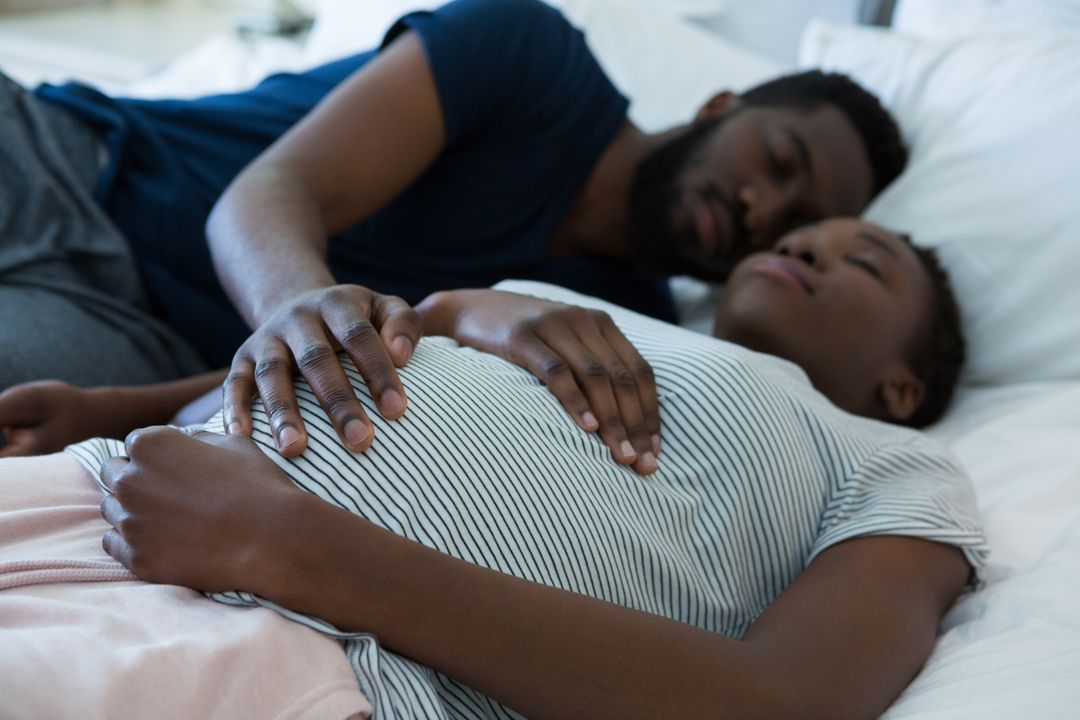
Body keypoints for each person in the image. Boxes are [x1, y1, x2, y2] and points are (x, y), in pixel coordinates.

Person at [12, 217, 983, 718]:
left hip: (304, 641)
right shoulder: (596, 307)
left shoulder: (898, 465)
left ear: (902, 384)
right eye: (800, 237)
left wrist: (288, 543)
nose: (807, 240)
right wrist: (122, 407)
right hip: (128, 484)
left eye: (867, 262)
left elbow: (783, 704)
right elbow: (376, 343)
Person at [2, 0, 907, 469]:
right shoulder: (531, 54)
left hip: (142, 339)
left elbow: (386, 364)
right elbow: (268, 194)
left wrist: (126, 407)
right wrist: (293, 305)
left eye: (794, 218)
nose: (761, 206)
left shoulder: (613, 328)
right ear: (723, 105)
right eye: (777, 161)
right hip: (72, 164)